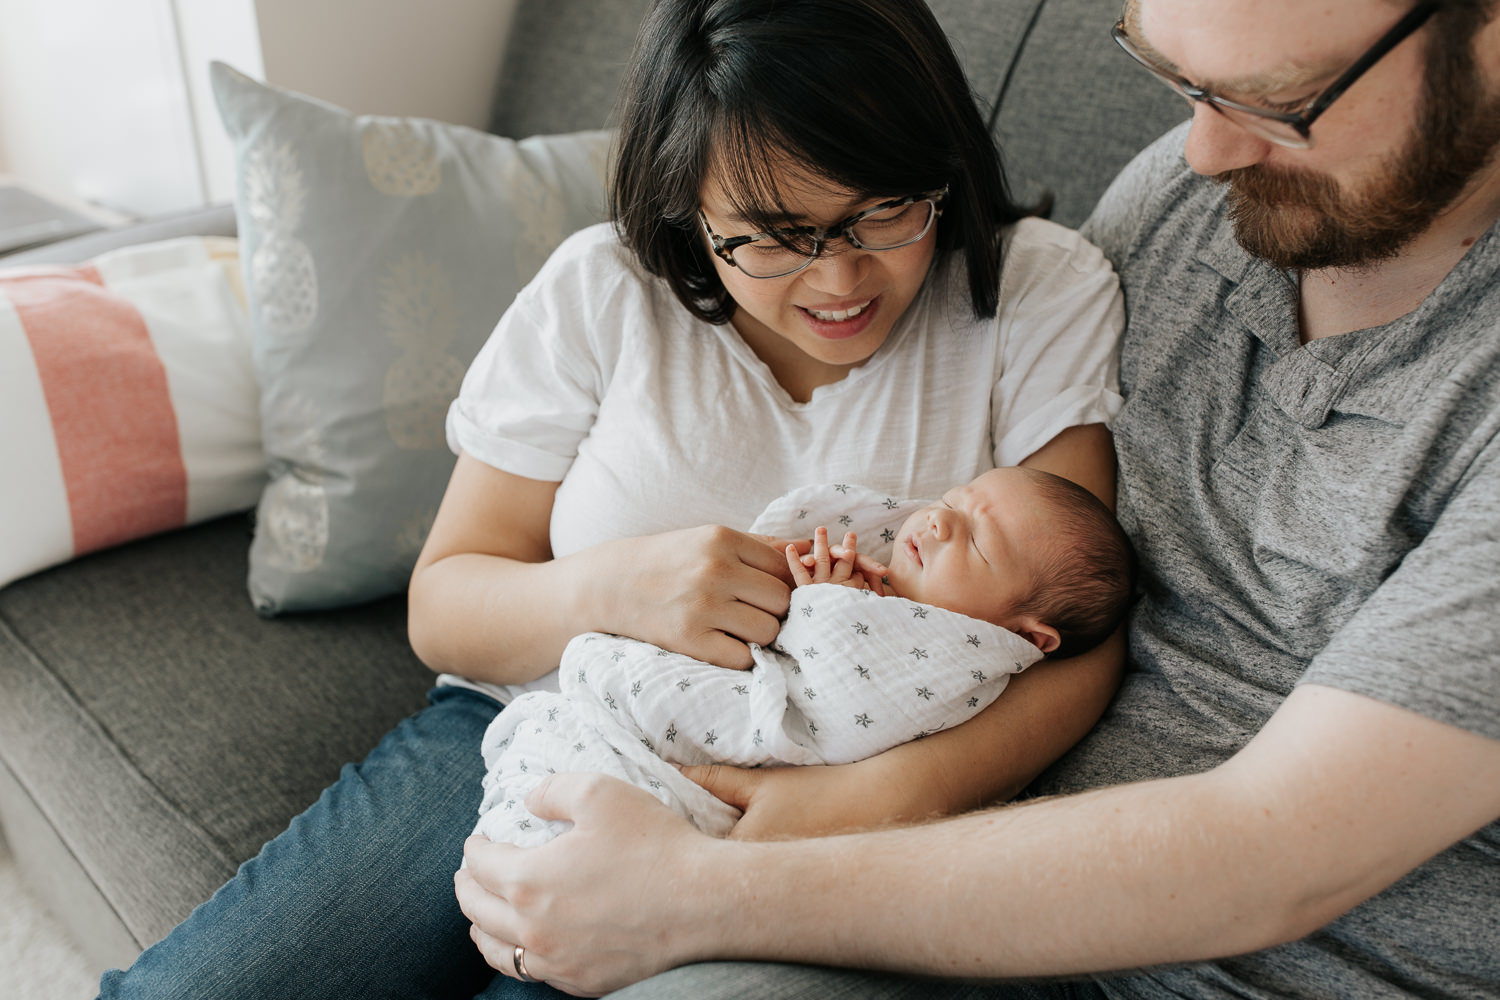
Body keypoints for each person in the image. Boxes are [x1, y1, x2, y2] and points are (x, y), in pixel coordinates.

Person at [453, 0, 1500, 997]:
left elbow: (1279, 851)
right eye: (1178, 80)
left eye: (1279, 100)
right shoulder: (1194, 202)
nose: (1200, 154)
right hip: (941, 893)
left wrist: (700, 889)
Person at [95, 1, 1126, 997]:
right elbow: (444, 604)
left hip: (796, 787)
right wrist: (614, 583)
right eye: (771, 237)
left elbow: (1080, 639)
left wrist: (856, 803)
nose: (840, 280)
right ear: (690, 208)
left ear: (937, 163)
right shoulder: (602, 293)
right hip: (535, 720)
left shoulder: (1037, 294)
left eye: (883, 212)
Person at [474, 469, 1134, 848]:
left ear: (1029, 636)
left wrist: (829, 609)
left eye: (976, 544)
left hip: (727, 788)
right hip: (513, 696)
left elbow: (842, 708)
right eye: (953, 504)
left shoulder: (962, 660)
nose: (936, 524)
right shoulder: (892, 579)